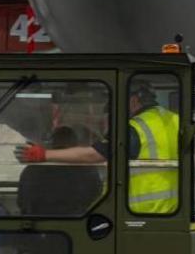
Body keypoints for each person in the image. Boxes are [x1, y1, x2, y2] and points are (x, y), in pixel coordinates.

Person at [17, 80, 179, 214]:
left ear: (134, 101)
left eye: (118, 105)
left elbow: (95, 155)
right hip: (171, 211)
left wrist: (44, 155)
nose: (117, 113)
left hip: (140, 213)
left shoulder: (134, 127)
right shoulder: (174, 121)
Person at [17, 126, 102, 215]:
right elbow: (95, 196)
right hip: (76, 221)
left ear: (52, 143)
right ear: (75, 144)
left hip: (37, 221)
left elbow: (21, 201)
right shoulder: (87, 169)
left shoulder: (32, 169)